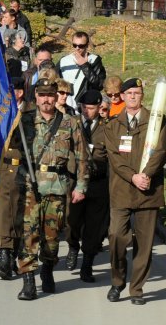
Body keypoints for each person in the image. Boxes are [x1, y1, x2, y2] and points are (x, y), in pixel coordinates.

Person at [13, 78, 88, 301]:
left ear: (56, 97)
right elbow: (7, 147)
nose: (46, 99)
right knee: (29, 235)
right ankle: (28, 280)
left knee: (52, 238)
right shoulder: (23, 120)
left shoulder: (70, 122)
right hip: (29, 184)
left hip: (56, 186)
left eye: (50, 95)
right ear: (35, 96)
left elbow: (83, 156)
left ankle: (47, 268)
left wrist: (81, 186)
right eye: (42, 95)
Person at [104, 78, 166, 305]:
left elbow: (160, 151)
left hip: (148, 191)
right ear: (121, 95)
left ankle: (137, 289)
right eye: (129, 92)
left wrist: (145, 175)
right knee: (117, 237)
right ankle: (118, 280)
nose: (133, 96)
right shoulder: (113, 125)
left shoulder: (157, 122)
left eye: (137, 92)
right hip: (122, 190)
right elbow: (114, 157)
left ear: (143, 95)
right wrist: (133, 176)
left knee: (145, 243)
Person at [64, 89, 109, 283]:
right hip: (75, 181)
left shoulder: (107, 128)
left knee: (93, 226)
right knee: (72, 220)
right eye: (83, 107)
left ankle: (87, 264)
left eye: (90, 108)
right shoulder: (72, 124)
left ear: (99, 108)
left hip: (97, 183)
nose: (86, 111)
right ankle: (73, 245)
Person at [0, 77, 26, 279]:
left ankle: (15, 256)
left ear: (19, 92)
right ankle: (4, 257)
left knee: (19, 216)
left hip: (23, 170)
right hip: (2, 168)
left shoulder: (29, 113)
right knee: (2, 213)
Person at [57, 31, 106, 109]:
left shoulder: (94, 60)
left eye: (81, 46)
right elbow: (56, 84)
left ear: (87, 45)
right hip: (65, 107)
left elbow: (99, 85)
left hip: (85, 106)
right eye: (75, 45)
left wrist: (85, 66)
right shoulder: (63, 61)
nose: (77, 48)